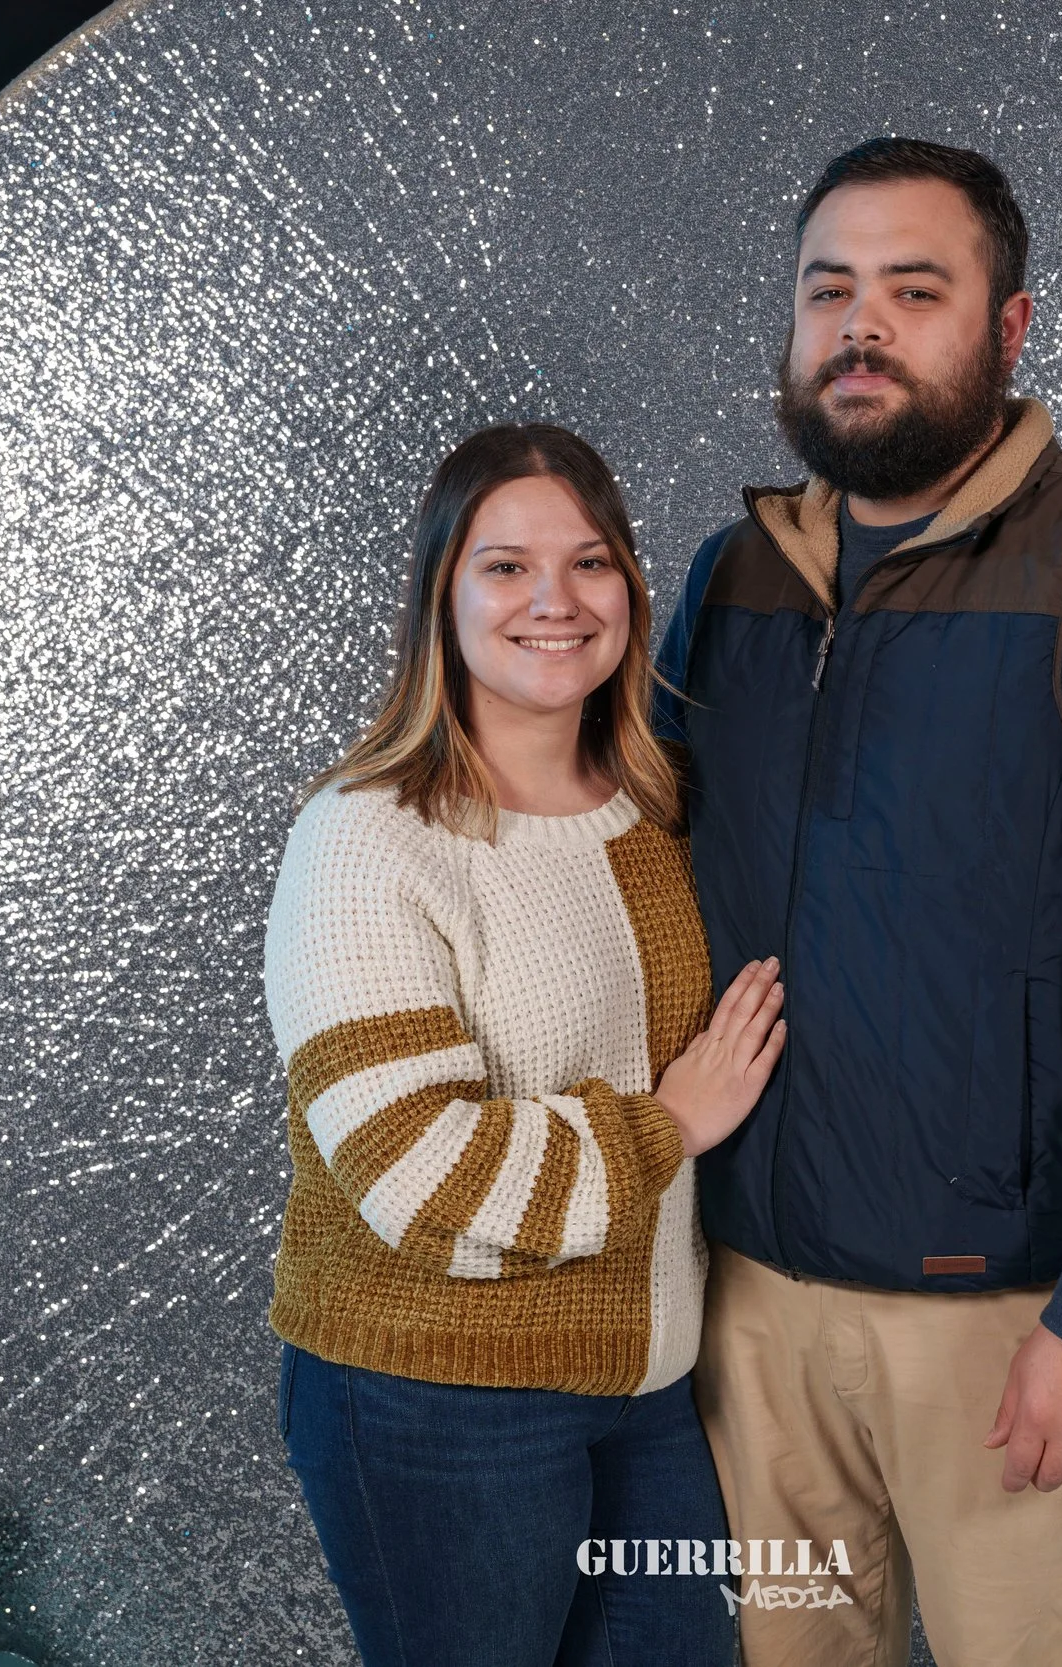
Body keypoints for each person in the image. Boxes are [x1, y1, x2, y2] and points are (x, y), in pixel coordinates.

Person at [654, 137, 1062, 1666]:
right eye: (829, 291)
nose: (861, 327)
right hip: (743, 1299)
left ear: (1009, 328)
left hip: (999, 1317)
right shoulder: (739, 573)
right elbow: (634, 871)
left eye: (914, 291)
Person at [262, 422, 785, 1667]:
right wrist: (671, 1122)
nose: (554, 600)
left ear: (630, 595)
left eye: (590, 563)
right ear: (440, 600)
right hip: (439, 1396)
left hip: (651, 1384)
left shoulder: (656, 813)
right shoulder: (370, 836)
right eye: (505, 567)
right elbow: (412, 1170)